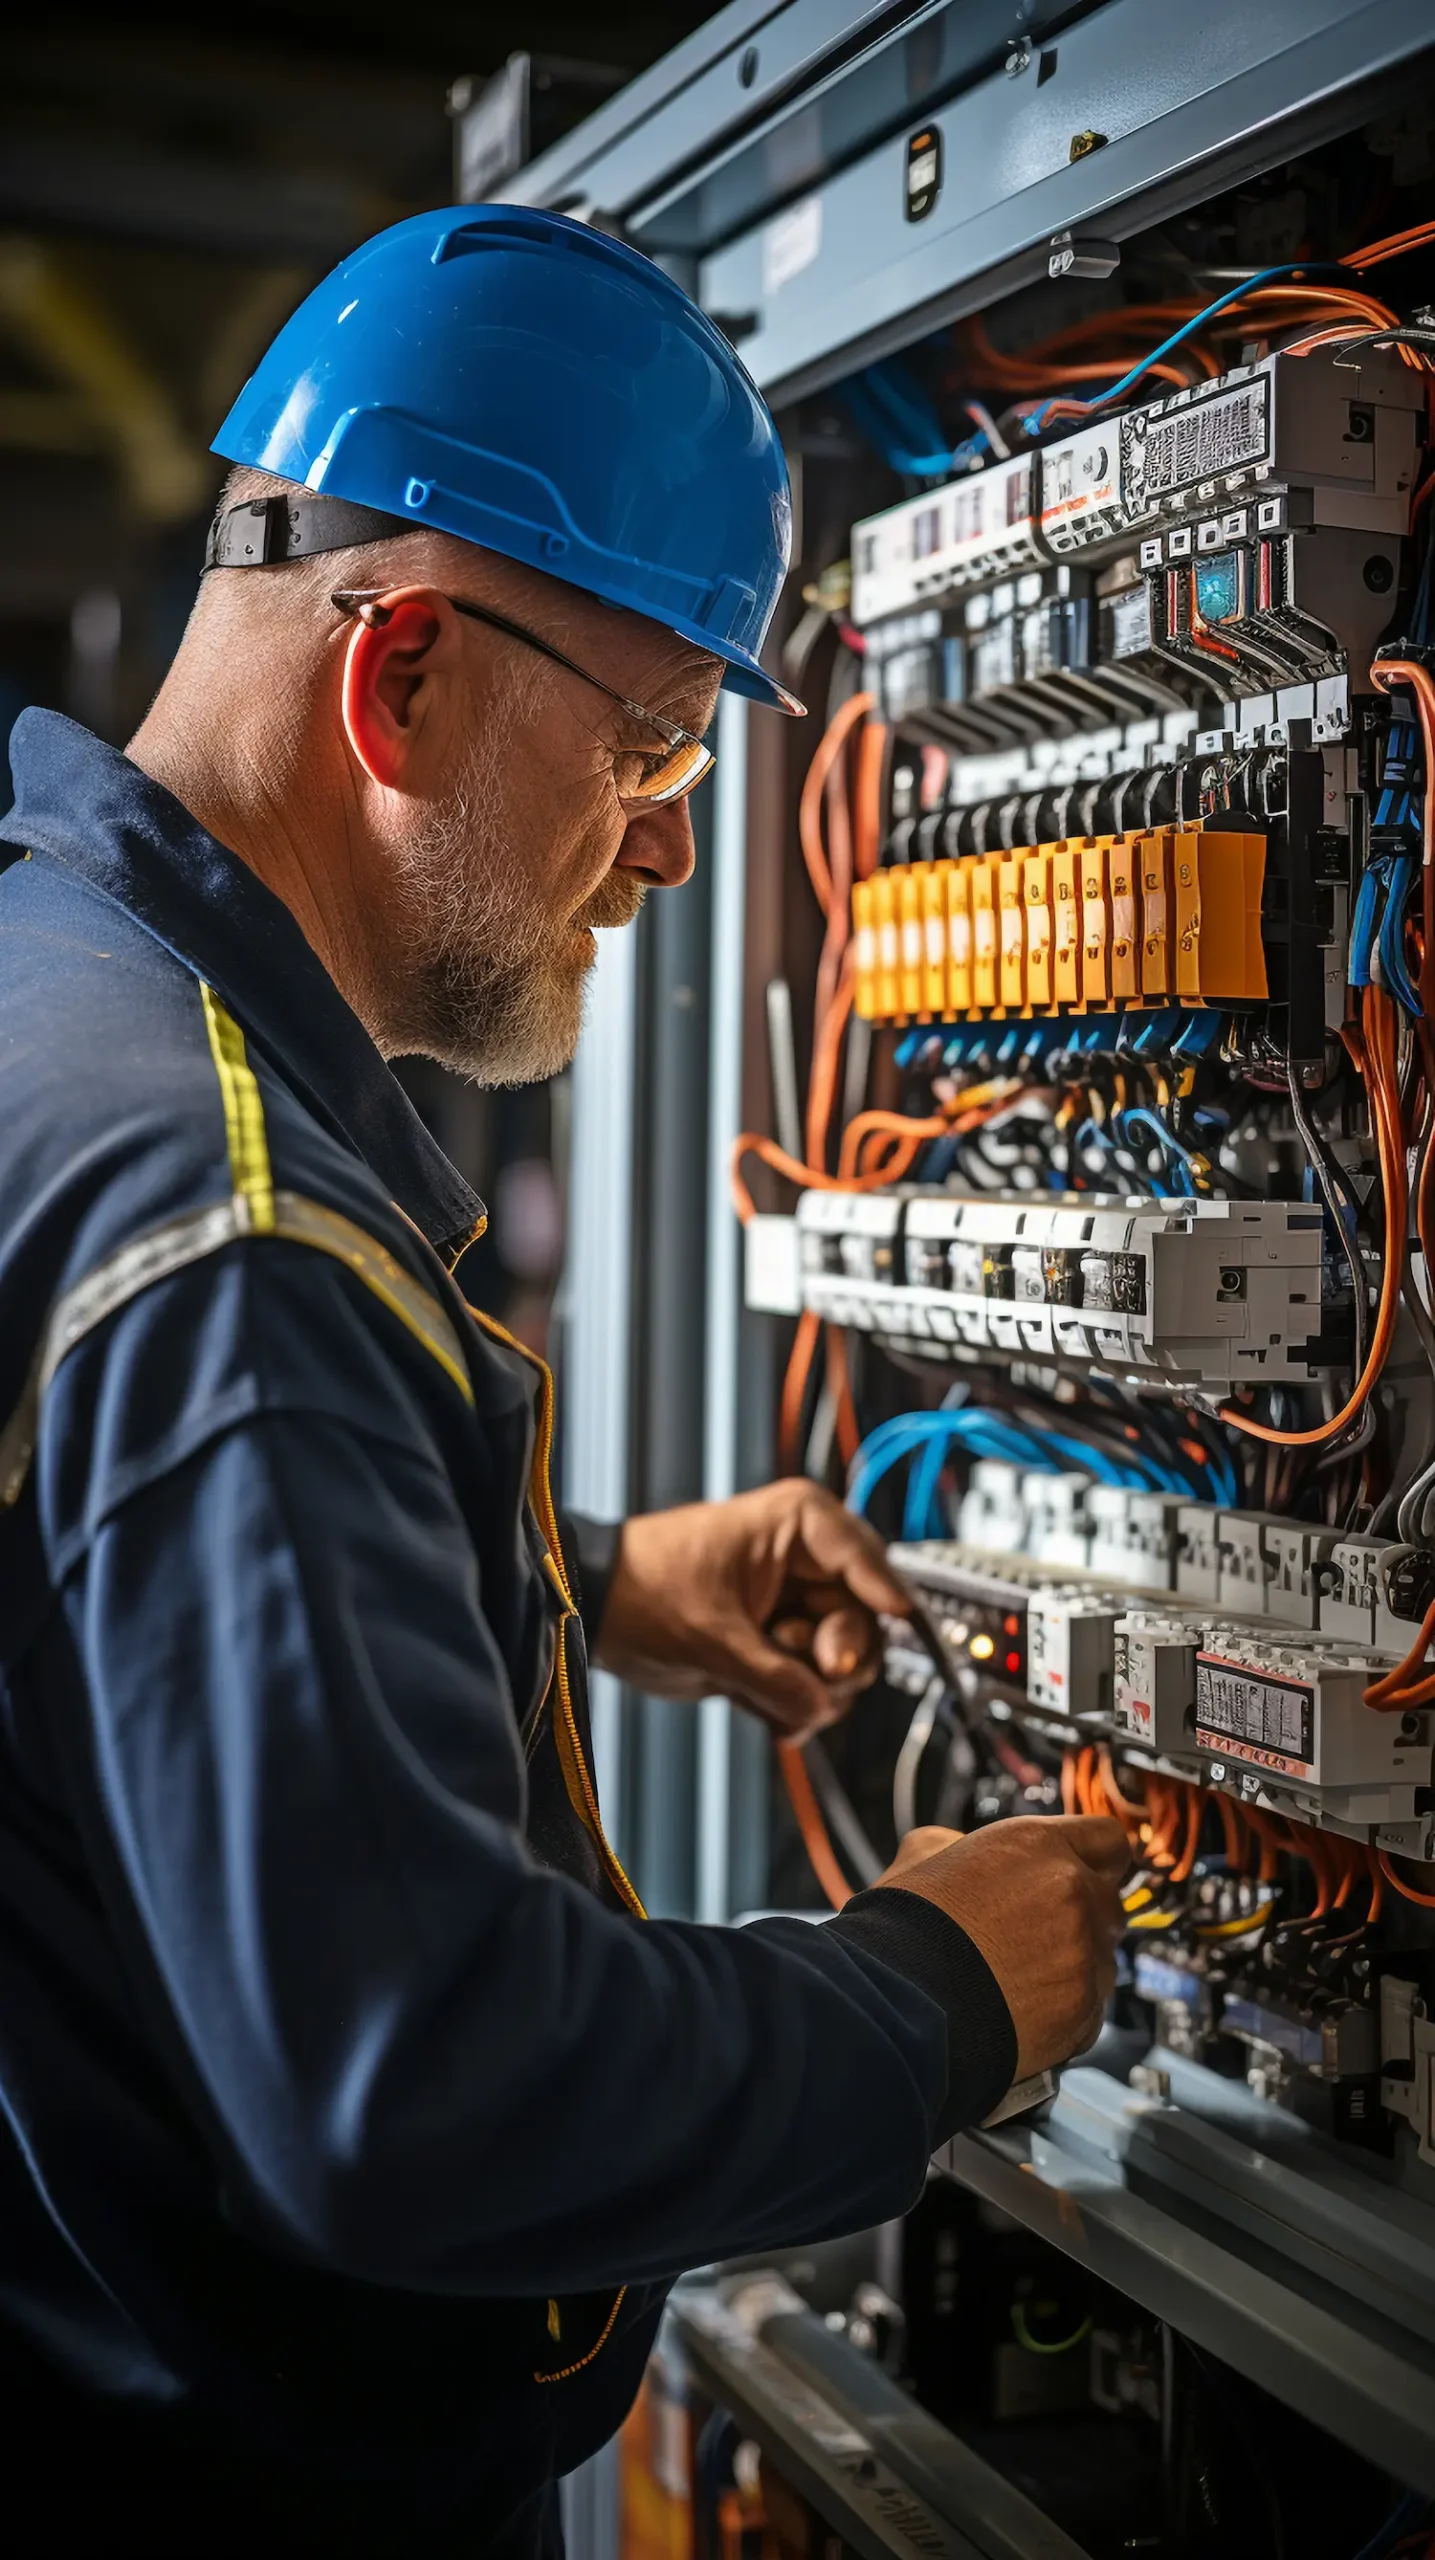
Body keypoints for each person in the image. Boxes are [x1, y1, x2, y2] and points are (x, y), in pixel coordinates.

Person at [0, 207, 1127, 2554]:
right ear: (398, 678)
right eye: (647, 733)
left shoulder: (57, 979)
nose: (680, 834)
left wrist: (585, 1579)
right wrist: (925, 1991)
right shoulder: (239, 1239)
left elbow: (98, 1592)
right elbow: (424, 2080)